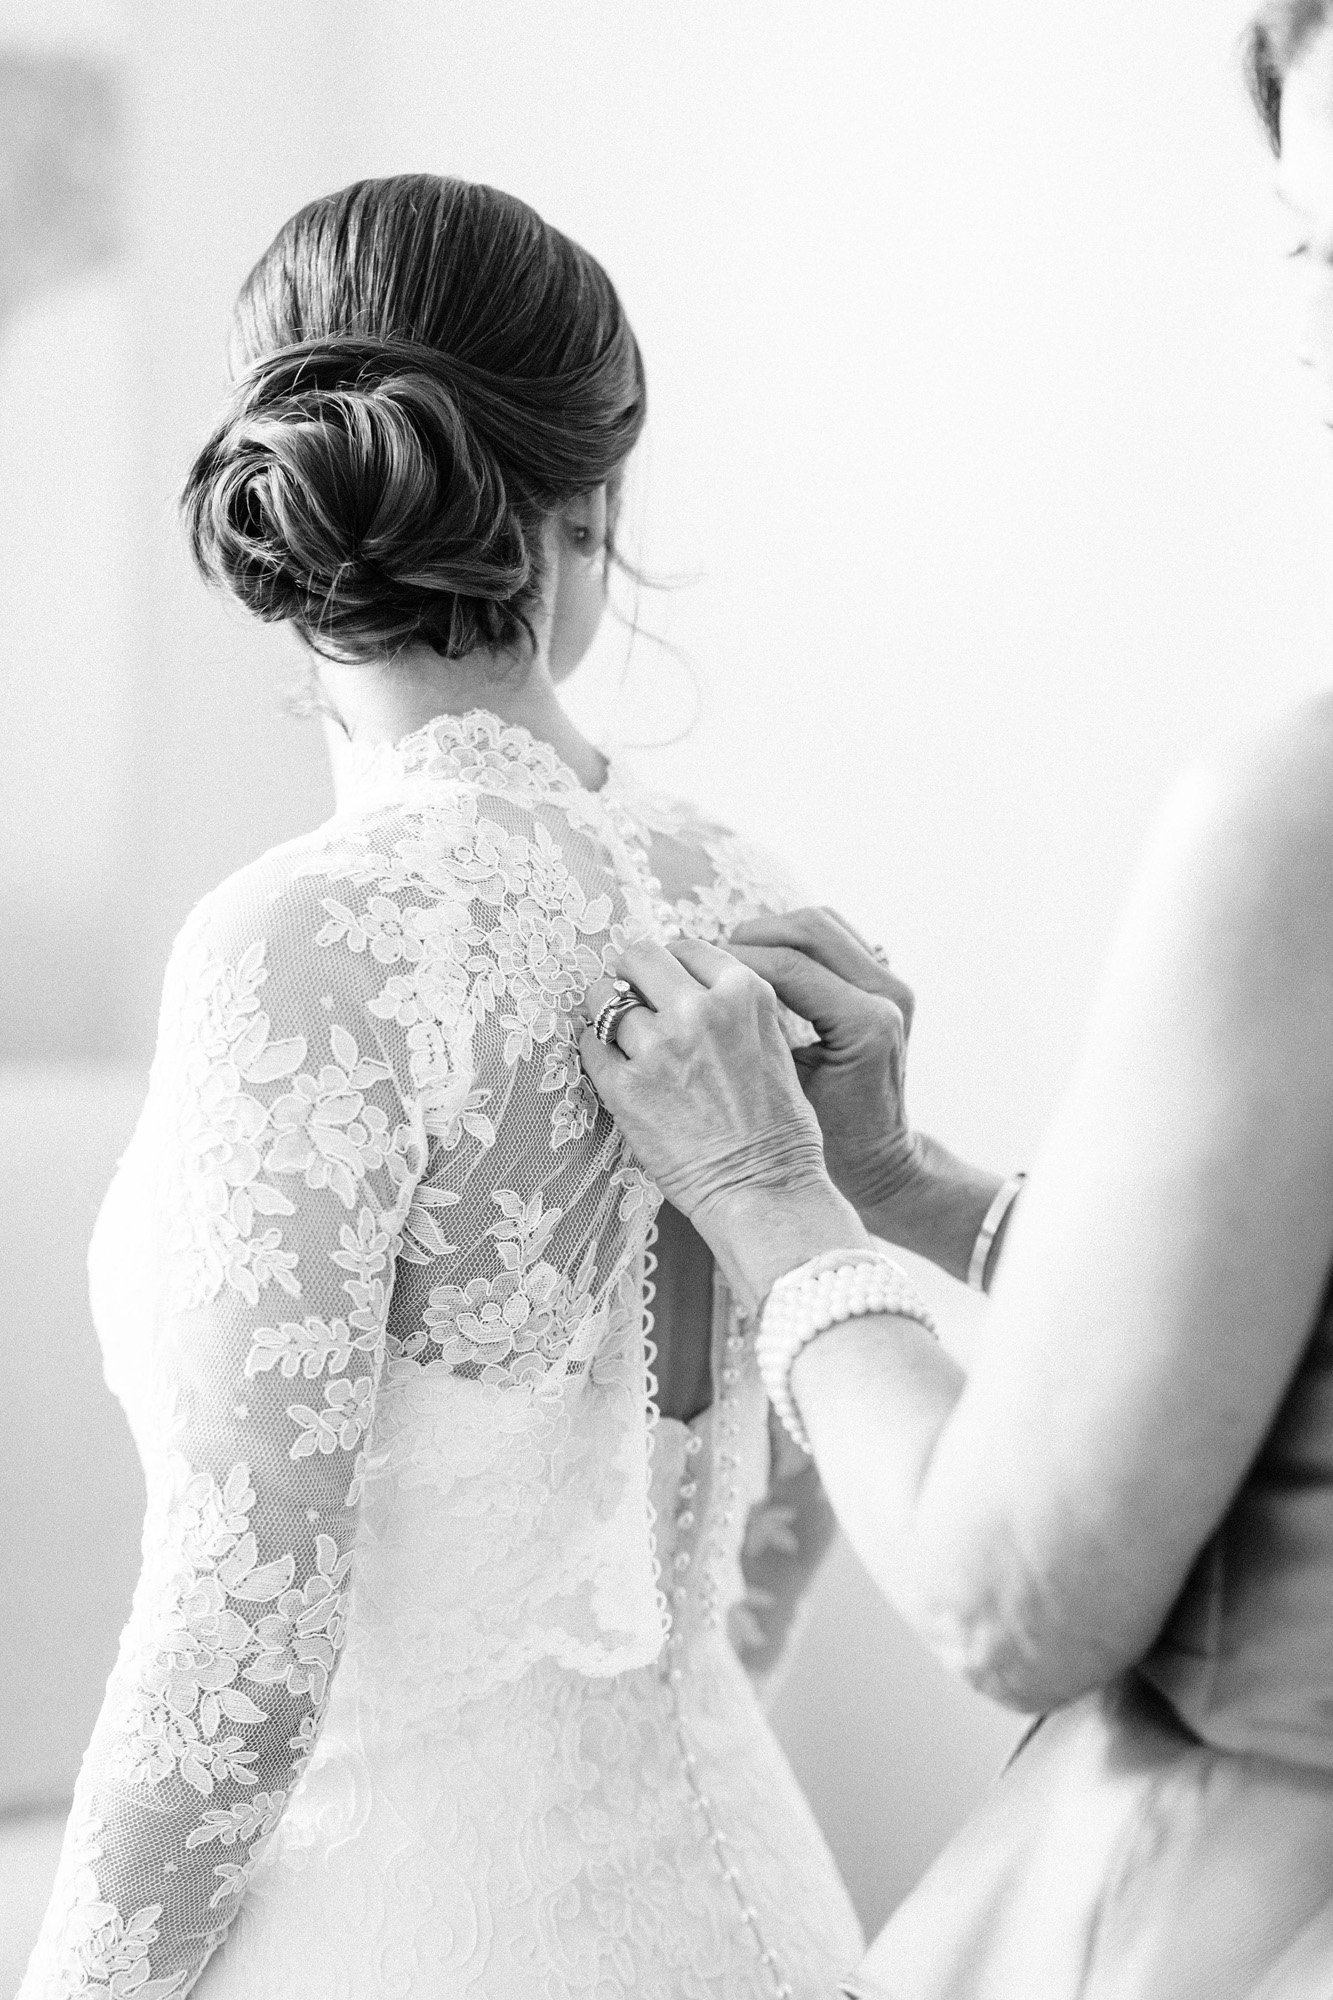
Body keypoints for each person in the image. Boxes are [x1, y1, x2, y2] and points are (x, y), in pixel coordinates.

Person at [17, 175, 865, 1999]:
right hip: (756, 1901)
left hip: (414, 1934)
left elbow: (240, 1610)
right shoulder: (745, 896)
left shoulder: (306, 949)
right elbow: (785, 1491)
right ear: (591, 508)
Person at [576, 9, 1333, 1997]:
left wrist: (769, 1200)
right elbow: (1268, 1361)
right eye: (1312, 257)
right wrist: (913, 1190)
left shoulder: (1299, 828)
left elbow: (1018, 1597)